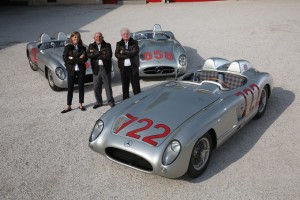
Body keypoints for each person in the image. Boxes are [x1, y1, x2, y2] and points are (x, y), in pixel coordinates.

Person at [61, 31, 88, 113]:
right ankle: (69, 106)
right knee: (70, 88)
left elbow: (85, 59)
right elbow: (65, 59)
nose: (76, 38)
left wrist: (72, 58)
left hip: (80, 70)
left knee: (81, 88)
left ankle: (81, 104)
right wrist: (78, 58)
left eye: (78, 37)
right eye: (75, 37)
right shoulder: (67, 47)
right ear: (71, 38)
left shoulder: (83, 48)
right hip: (71, 70)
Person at [87, 32, 115, 108]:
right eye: (97, 36)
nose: (98, 38)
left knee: (107, 86)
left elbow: (108, 56)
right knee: (96, 86)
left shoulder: (107, 45)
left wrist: (96, 54)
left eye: (100, 36)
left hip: (105, 67)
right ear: (94, 38)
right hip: (96, 68)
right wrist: (100, 53)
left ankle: (110, 101)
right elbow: (89, 55)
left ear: (102, 37)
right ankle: (99, 102)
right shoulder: (91, 46)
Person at [115, 27, 141, 100]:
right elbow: (117, 54)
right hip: (123, 68)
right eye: (124, 34)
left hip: (133, 67)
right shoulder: (119, 44)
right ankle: (125, 100)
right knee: (125, 85)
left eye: (127, 33)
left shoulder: (134, 42)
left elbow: (135, 52)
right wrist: (129, 53)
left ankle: (138, 99)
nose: (125, 35)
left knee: (135, 84)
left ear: (130, 34)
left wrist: (123, 52)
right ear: (121, 35)